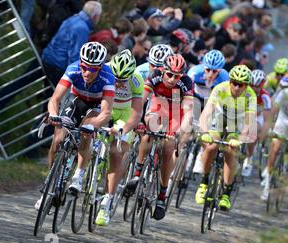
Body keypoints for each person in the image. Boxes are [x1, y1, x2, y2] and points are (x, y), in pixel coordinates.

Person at [35, 42, 115, 209]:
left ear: (100, 67)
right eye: (84, 67)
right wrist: (55, 115)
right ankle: (50, 180)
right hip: (76, 101)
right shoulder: (73, 69)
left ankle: (79, 174)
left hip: (95, 106)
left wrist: (93, 126)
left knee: (86, 131)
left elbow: (106, 112)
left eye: (92, 69)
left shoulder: (108, 77)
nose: (87, 72)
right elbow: (55, 99)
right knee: (58, 139)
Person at [129, 54, 194, 221]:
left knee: (168, 148)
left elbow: (188, 111)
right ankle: (137, 173)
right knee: (149, 131)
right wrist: (136, 120)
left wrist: (181, 131)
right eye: (169, 74)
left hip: (175, 113)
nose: (172, 79)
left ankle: (162, 194)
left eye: (177, 76)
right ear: (162, 71)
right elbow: (141, 100)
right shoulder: (154, 75)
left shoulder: (186, 83)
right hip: (157, 108)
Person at [195, 65, 257, 211]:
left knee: (231, 151)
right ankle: (203, 183)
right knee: (211, 146)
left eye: (240, 85)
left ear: (246, 86)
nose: (236, 87)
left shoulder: (250, 95)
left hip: (237, 124)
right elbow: (206, 112)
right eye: (233, 82)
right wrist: (204, 131)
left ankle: (226, 193)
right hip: (219, 120)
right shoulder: (220, 88)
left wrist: (240, 138)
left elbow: (249, 122)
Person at [95, 49, 144, 226]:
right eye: (115, 78)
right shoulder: (104, 70)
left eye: (123, 80)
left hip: (124, 113)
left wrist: (123, 128)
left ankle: (106, 202)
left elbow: (137, 112)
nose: (118, 83)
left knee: (116, 153)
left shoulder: (137, 80)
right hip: (105, 107)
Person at [41, 0, 102, 86]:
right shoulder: (82, 28)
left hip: (47, 56)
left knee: (23, 81)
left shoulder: (73, 18)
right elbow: (74, 55)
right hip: (56, 65)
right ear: (95, 16)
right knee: (62, 95)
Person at [242, 69, 272, 177]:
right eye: (252, 85)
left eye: (257, 86)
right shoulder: (243, 90)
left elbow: (267, 117)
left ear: (262, 86)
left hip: (257, 117)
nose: (254, 88)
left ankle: (249, 158)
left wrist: (264, 131)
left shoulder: (265, 96)